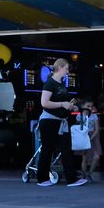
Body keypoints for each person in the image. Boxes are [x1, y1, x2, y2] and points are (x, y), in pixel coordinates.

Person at [36, 57, 84, 187]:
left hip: (61, 121)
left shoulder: (61, 84)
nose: (68, 72)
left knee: (66, 149)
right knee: (47, 149)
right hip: (49, 121)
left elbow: (62, 104)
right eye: (66, 69)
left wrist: (70, 106)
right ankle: (42, 178)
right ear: (61, 67)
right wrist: (63, 104)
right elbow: (44, 103)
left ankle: (72, 179)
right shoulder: (50, 83)